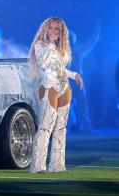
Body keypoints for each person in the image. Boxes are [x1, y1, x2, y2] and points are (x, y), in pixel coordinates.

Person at [28, 17, 83, 173]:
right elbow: (44, 65)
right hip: (48, 87)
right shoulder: (40, 46)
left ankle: (57, 165)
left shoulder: (62, 47)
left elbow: (59, 69)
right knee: (46, 126)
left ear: (61, 32)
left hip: (64, 87)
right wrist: (51, 44)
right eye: (51, 28)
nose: (53, 31)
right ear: (46, 29)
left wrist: (74, 75)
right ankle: (38, 166)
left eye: (57, 29)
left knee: (61, 128)